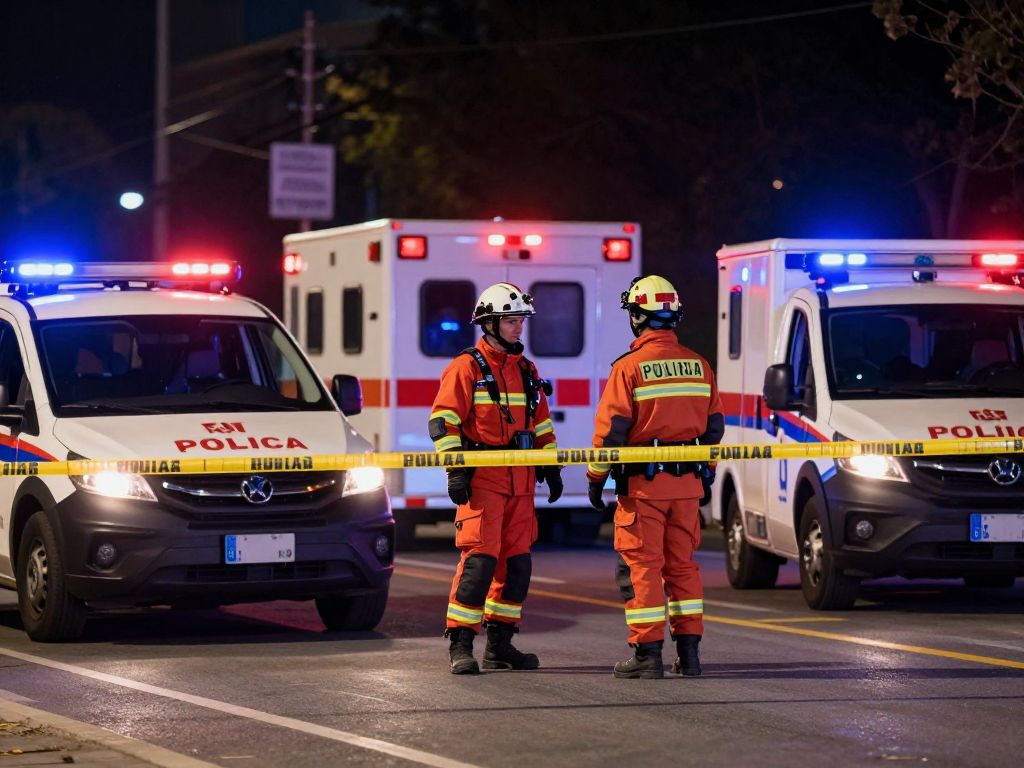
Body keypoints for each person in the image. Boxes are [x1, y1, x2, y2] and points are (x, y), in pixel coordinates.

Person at [586, 275, 724, 679]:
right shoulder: (699, 365)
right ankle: (690, 656)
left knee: (641, 568)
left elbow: (611, 432)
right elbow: (714, 428)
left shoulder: (629, 368)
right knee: (682, 567)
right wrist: (707, 474)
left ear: (637, 318)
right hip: (688, 487)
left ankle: (647, 656)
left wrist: (596, 478)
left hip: (644, 489)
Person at [428, 282, 562, 674]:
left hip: (520, 483)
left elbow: (542, 426)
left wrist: (549, 466)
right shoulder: (466, 366)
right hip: (484, 480)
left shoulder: (526, 370)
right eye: (511, 321)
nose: (519, 328)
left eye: (521, 320)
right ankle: (461, 643)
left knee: (517, 567)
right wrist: (455, 469)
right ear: (489, 323)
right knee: (479, 565)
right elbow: (443, 421)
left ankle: (501, 644)